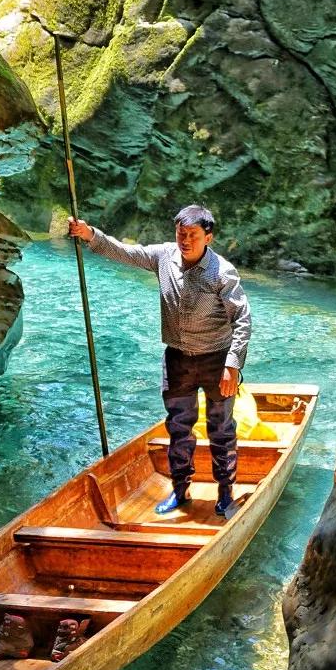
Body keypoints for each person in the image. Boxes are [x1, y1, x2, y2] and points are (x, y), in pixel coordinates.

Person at [68, 204, 251, 517]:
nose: (185, 240)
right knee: (179, 427)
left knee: (220, 429)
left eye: (192, 235)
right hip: (178, 359)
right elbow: (125, 252)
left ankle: (225, 494)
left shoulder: (222, 273)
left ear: (209, 237)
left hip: (216, 361)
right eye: (181, 233)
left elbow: (243, 319)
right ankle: (180, 491)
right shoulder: (164, 256)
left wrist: (233, 364)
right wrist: (89, 235)